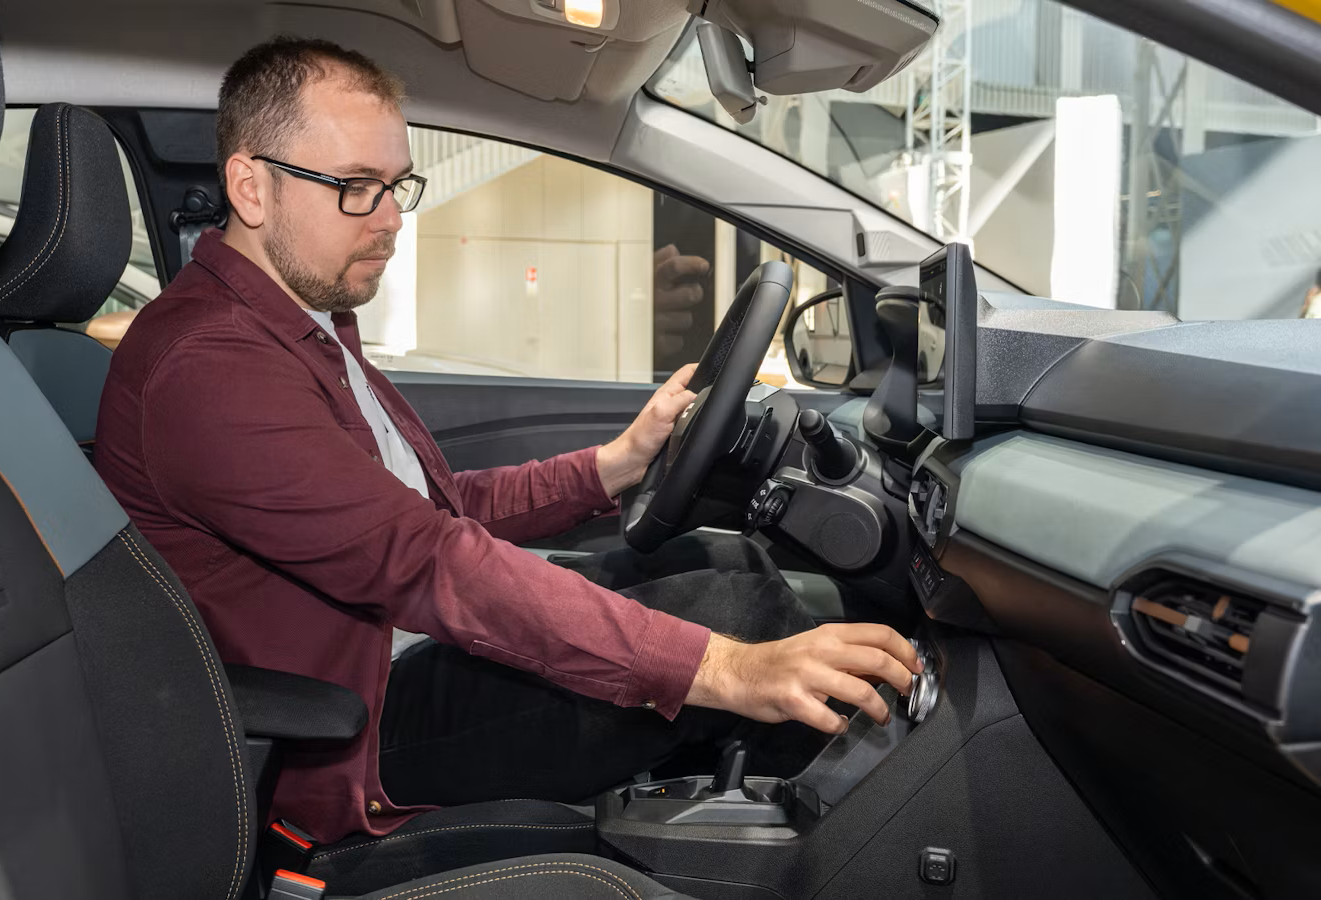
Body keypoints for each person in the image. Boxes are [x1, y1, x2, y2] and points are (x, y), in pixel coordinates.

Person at [94, 37, 920, 854]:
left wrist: (616, 464)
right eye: (354, 188)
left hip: (402, 643)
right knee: (736, 623)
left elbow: (433, 505)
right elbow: (429, 558)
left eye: (396, 186)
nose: (388, 220)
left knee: (724, 562)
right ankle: (868, 851)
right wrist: (731, 670)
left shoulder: (303, 323)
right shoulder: (208, 366)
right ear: (251, 187)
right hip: (354, 723)